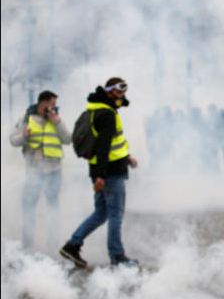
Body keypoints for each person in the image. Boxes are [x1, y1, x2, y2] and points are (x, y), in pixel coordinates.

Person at [59, 78, 139, 268]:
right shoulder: (107, 115)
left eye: (123, 93)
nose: (121, 97)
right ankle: (117, 256)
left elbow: (113, 143)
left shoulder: (97, 108)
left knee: (101, 213)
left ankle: (72, 245)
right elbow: (103, 147)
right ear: (109, 92)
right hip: (110, 172)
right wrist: (102, 177)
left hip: (101, 169)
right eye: (118, 93)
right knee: (115, 215)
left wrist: (126, 156)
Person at [9, 90, 72, 250]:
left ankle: (53, 242)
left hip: (54, 171)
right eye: (52, 104)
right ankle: (27, 241)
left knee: (53, 208)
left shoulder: (56, 120)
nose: (54, 107)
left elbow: (67, 139)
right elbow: (13, 140)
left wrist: (57, 122)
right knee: (28, 206)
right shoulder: (27, 118)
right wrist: (24, 136)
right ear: (43, 103)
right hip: (34, 171)